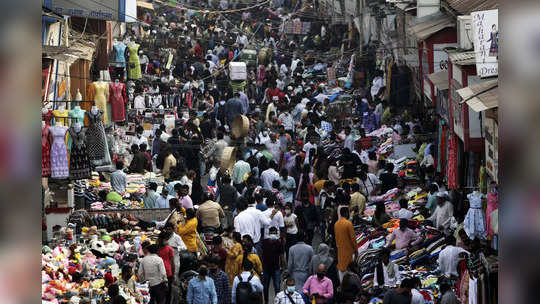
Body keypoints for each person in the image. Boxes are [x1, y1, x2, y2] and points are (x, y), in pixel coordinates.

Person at [261, 227, 284, 303]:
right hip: (266, 268)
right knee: (265, 287)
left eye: (275, 233)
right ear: (269, 233)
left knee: (277, 287)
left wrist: (284, 268)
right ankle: (266, 301)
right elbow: (261, 254)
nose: (273, 235)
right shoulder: (264, 242)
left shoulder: (279, 243)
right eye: (272, 233)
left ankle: (277, 301)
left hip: (276, 268)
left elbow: (281, 256)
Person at [334, 207, 357, 282]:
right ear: (346, 213)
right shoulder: (348, 224)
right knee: (349, 271)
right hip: (348, 252)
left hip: (340, 251)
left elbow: (336, 239)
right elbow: (353, 239)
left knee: (342, 271)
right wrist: (356, 250)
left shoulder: (336, 224)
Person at [157, 232, 175, 304]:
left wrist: (173, 274)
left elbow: (172, 262)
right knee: (160, 292)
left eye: (164, 239)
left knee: (167, 292)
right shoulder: (156, 248)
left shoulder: (169, 249)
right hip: (159, 273)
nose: (162, 241)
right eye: (161, 239)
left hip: (167, 273)